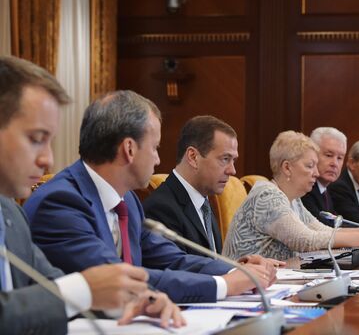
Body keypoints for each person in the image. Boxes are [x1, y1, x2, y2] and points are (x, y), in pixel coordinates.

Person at [24, 90, 276, 305]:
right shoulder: (60, 202)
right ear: (129, 149)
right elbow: (121, 280)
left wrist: (236, 270)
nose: (157, 159)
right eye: (155, 148)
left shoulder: (129, 202)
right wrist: (222, 285)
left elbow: (173, 259)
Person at [0, 56, 182, 333]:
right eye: (36, 139)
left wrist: (137, 300)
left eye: (50, 142)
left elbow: (48, 287)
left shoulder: (10, 213)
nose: (48, 159)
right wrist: (84, 289)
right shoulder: (58, 200)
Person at [222, 130, 359, 261]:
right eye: (309, 166)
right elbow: (304, 240)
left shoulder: (294, 200)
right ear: (287, 167)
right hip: (245, 289)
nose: (315, 173)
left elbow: (324, 230)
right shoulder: (267, 195)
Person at [143, 115, 284, 272]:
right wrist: (237, 271)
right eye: (225, 159)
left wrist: (241, 265)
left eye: (233, 160)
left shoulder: (204, 202)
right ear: (193, 157)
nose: (232, 170)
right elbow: (179, 270)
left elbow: (205, 262)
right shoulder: (161, 208)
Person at [301, 127, 347, 226]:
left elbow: (335, 224)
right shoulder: (305, 189)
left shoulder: (326, 189)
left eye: (340, 158)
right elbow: (325, 228)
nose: (334, 163)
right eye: (328, 155)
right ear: (312, 154)